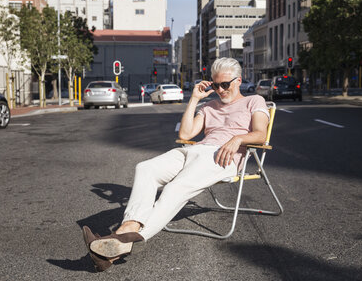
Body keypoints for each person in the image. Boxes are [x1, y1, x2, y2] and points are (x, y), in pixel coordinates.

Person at [82, 57, 270, 272]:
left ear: (239, 81)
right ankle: (121, 239)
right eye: (215, 85)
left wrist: (238, 139)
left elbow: (260, 134)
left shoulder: (254, 101)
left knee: (175, 188)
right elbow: (185, 134)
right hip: (195, 150)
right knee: (145, 168)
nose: (220, 90)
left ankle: (121, 240)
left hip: (223, 156)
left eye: (225, 84)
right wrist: (194, 99)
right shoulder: (208, 106)